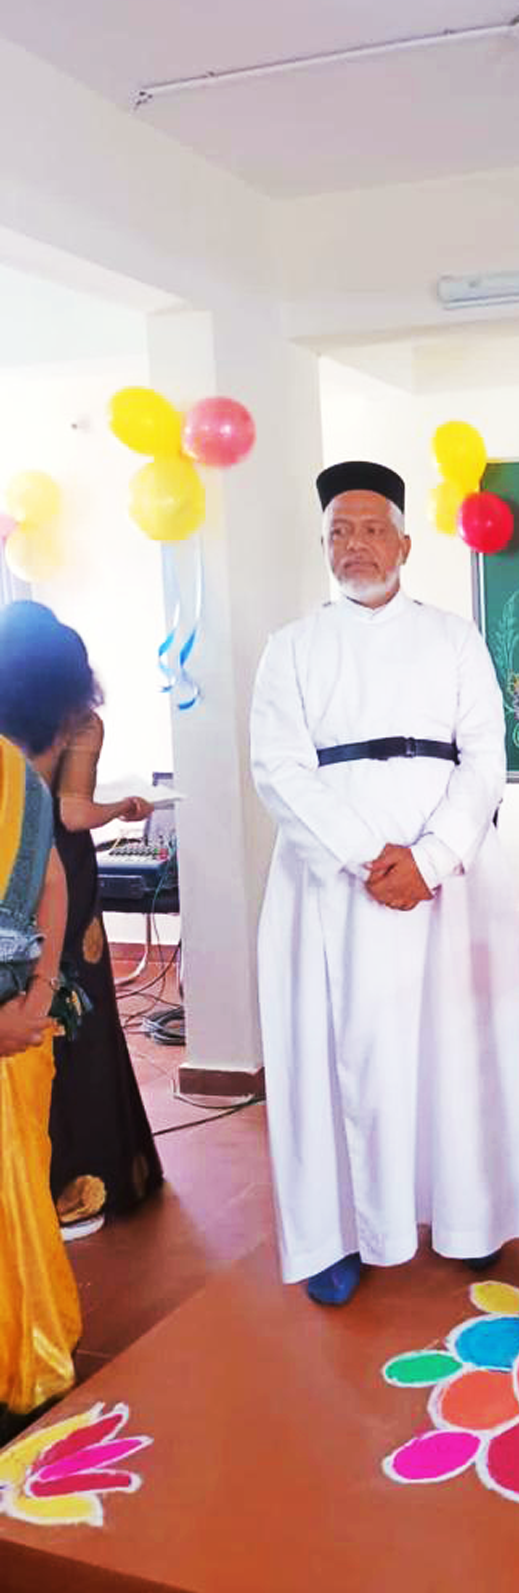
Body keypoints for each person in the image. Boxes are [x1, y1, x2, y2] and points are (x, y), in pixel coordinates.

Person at [250, 459, 519, 1307]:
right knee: (343, 1050)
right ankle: (341, 1232)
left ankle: (469, 1217)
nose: (354, 545)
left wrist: (434, 857)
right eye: (338, 531)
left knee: (457, 1046)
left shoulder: (454, 638)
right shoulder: (291, 648)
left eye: (370, 527)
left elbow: (486, 760)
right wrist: (360, 856)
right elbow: (277, 768)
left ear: (406, 542)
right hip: (334, 886)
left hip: (448, 878)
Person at [0, 603, 164, 1235]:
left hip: (15, 858)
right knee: (77, 1015)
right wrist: (125, 806)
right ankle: (96, 1177)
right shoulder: (78, 721)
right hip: (57, 869)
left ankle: (34, 1189)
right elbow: (72, 815)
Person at [0, 729, 79, 1442]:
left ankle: (22, 1362)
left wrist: (36, 995)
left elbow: (51, 876)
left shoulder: (12, 772)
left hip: (15, 1029)